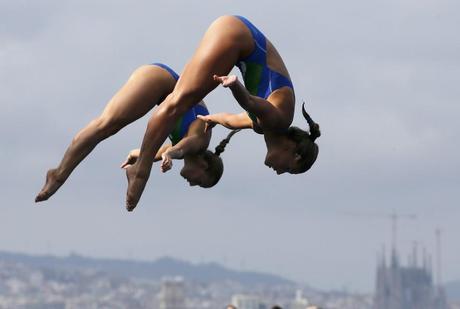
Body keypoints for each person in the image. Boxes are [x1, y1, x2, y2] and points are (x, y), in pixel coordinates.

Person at [125, 15, 320, 210]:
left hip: (237, 34)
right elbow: (251, 103)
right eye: (287, 168)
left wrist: (212, 119)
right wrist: (235, 86)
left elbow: (231, 120)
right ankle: (141, 171)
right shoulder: (279, 120)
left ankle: (139, 162)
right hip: (239, 37)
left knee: (179, 98)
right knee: (177, 104)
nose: (278, 172)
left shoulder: (264, 126)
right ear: (293, 152)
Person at [35, 63, 236, 203]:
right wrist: (170, 155)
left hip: (156, 80)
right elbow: (186, 145)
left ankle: (58, 174)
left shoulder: (181, 148)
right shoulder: (202, 140)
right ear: (204, 165)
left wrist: (136, 155)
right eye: (200, 181)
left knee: (107, 127)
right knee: (104, 125)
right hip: (160, 80)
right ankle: (58, 175)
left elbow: (153, 152)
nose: (193, 184)